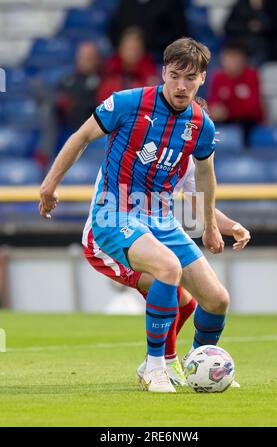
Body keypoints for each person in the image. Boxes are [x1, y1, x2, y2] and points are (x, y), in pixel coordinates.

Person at [39, 37, 236, 393]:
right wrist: (50, 184)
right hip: (114, 212)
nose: (180, 85)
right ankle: (155, 368)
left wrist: (209, 226)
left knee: (216, 299)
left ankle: (195, 366)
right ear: (163, 71)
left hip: (161, 219)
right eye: (174, 75)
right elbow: (81, 137)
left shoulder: (200, 124)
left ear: (203, 78)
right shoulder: (128, 103)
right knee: (168, 269)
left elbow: (204, 176)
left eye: (190, 78)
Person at [82, 154, 250, 386]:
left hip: (155, 232)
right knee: (175, 290)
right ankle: (160, 364)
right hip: (109, 236)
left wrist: (233, 226)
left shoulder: (187, 160)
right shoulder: (137, 139)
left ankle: (197, 364)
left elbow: (200, 206)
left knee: (208, 299)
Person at [208, 41, 264, 145]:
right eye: (229, 58)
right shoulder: (218, 77)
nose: (233, 62)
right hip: (225, 121)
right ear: (222, 59)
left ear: (244, 59)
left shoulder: (252, 75)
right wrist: (215, 111)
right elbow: (214, 103)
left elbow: (252, 108)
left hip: (248, 123)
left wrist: (228, 111)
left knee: (244, 124)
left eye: (236, 58)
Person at [97, 27, 159, 103]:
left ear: (142, 51)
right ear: (120, 49)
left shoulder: (151, 79)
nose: (133, 53)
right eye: (129, 49)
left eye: (136, 49)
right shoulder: (108, 73)